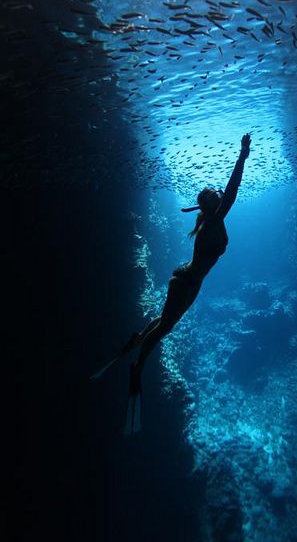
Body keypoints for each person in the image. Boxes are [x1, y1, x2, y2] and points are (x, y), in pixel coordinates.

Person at [92, 133, 251, 433]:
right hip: (186, 282)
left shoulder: (211, 219)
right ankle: (138, 365)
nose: (221, 197)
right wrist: (242, 155)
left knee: (165, 321)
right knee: (166, 327)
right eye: (216, 197)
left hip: (191, 282)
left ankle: (137, 338)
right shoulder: (213, 221)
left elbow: (225, 195)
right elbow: (232, 190)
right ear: (212, 205)